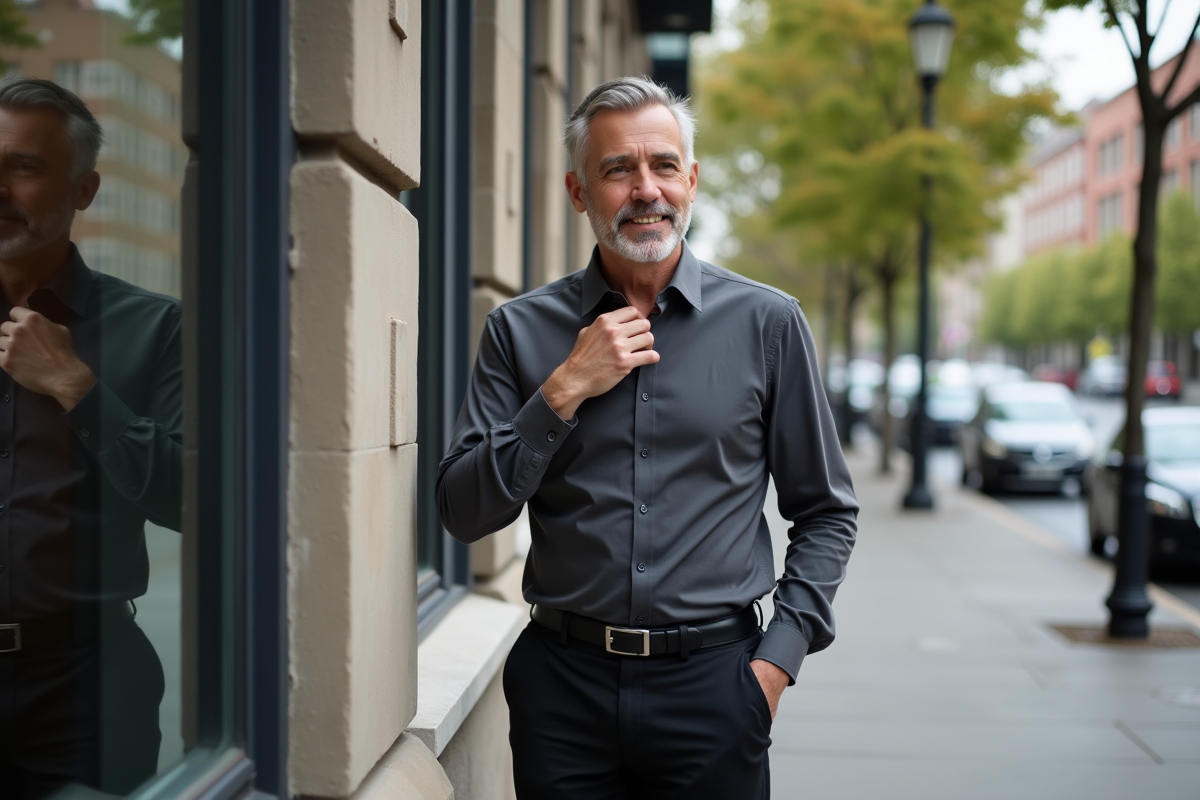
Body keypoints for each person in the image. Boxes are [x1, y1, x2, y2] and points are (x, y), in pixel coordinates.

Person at [437, 76, 857, 799]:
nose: (644, 189)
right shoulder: (520, 331)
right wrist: (564, 387)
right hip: (562, 694)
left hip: (717, 688)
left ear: (690, 182)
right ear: (578, 191)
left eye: (663, 165)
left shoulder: (768, 324)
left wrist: (773, 667)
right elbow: (463, 510)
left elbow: (825, 512)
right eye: (616, 170)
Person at [0, 78, 182, 798]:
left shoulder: (155, 329)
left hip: (86, 686)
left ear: (84, 189)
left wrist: (78, 388)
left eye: (25, 167)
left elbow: (190, 500)